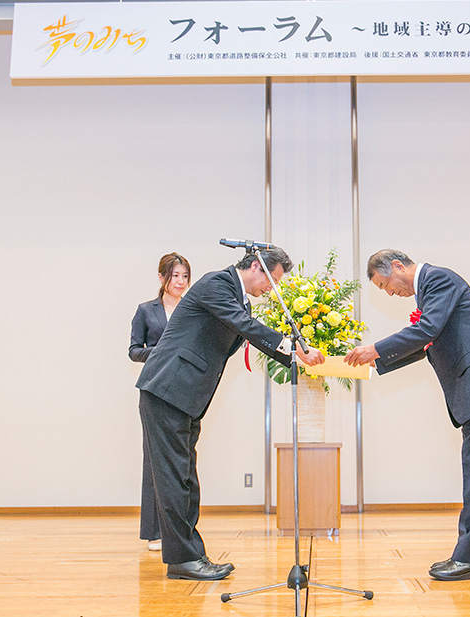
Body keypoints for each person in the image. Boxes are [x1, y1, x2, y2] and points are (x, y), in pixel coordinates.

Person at [135, 247, 325, 581]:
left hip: (185, 396)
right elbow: (244, 326)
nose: (272, 289)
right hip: (167, 391)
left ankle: (191, 555)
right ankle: (182, 560)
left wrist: (294, 357)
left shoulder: (238, 297)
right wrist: (293, 348)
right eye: (273, 280)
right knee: (174, 479)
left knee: (185, 477)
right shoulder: (217, 284)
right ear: (255, 266)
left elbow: (245, 327)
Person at [344, 250, 470, 581]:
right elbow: (429, 340)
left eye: (386, 285)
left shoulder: (438, 279)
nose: (389, 293)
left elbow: (428, 329)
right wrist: (378, 362)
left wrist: (376, 349)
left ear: (398, 266)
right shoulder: (431, 289)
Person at [128, 252, 192, 551]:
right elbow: (134, 350)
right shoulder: (146, 310)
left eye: (184, 276)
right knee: (155, 462)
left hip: (187, 389)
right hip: (155, 389)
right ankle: (154, 532)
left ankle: (182, 531)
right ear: (161, 277)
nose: (180, 282)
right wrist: (161, 352)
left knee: (183, 463)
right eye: (174, 275)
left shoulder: (193, 309)